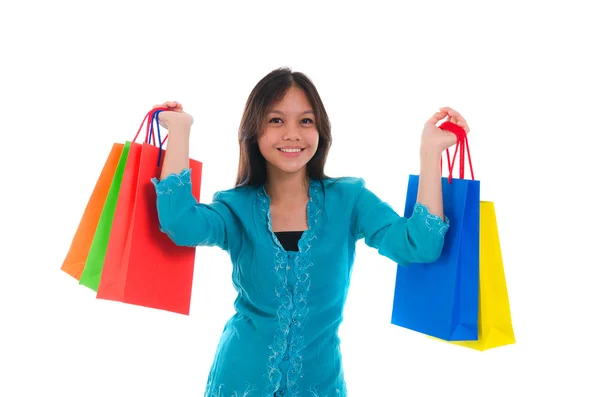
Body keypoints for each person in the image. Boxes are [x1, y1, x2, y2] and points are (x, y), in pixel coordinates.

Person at [150, 67, 470, 397]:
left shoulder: (350, 200)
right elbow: (180, 225)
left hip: (320, 385)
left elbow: (419, 245)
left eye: (305, 121)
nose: (292, 134)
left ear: (321, 131)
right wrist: (180, 132)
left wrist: (430, 153)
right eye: (276, 120)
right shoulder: (235, 207)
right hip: (239, 382)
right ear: (254, 131)